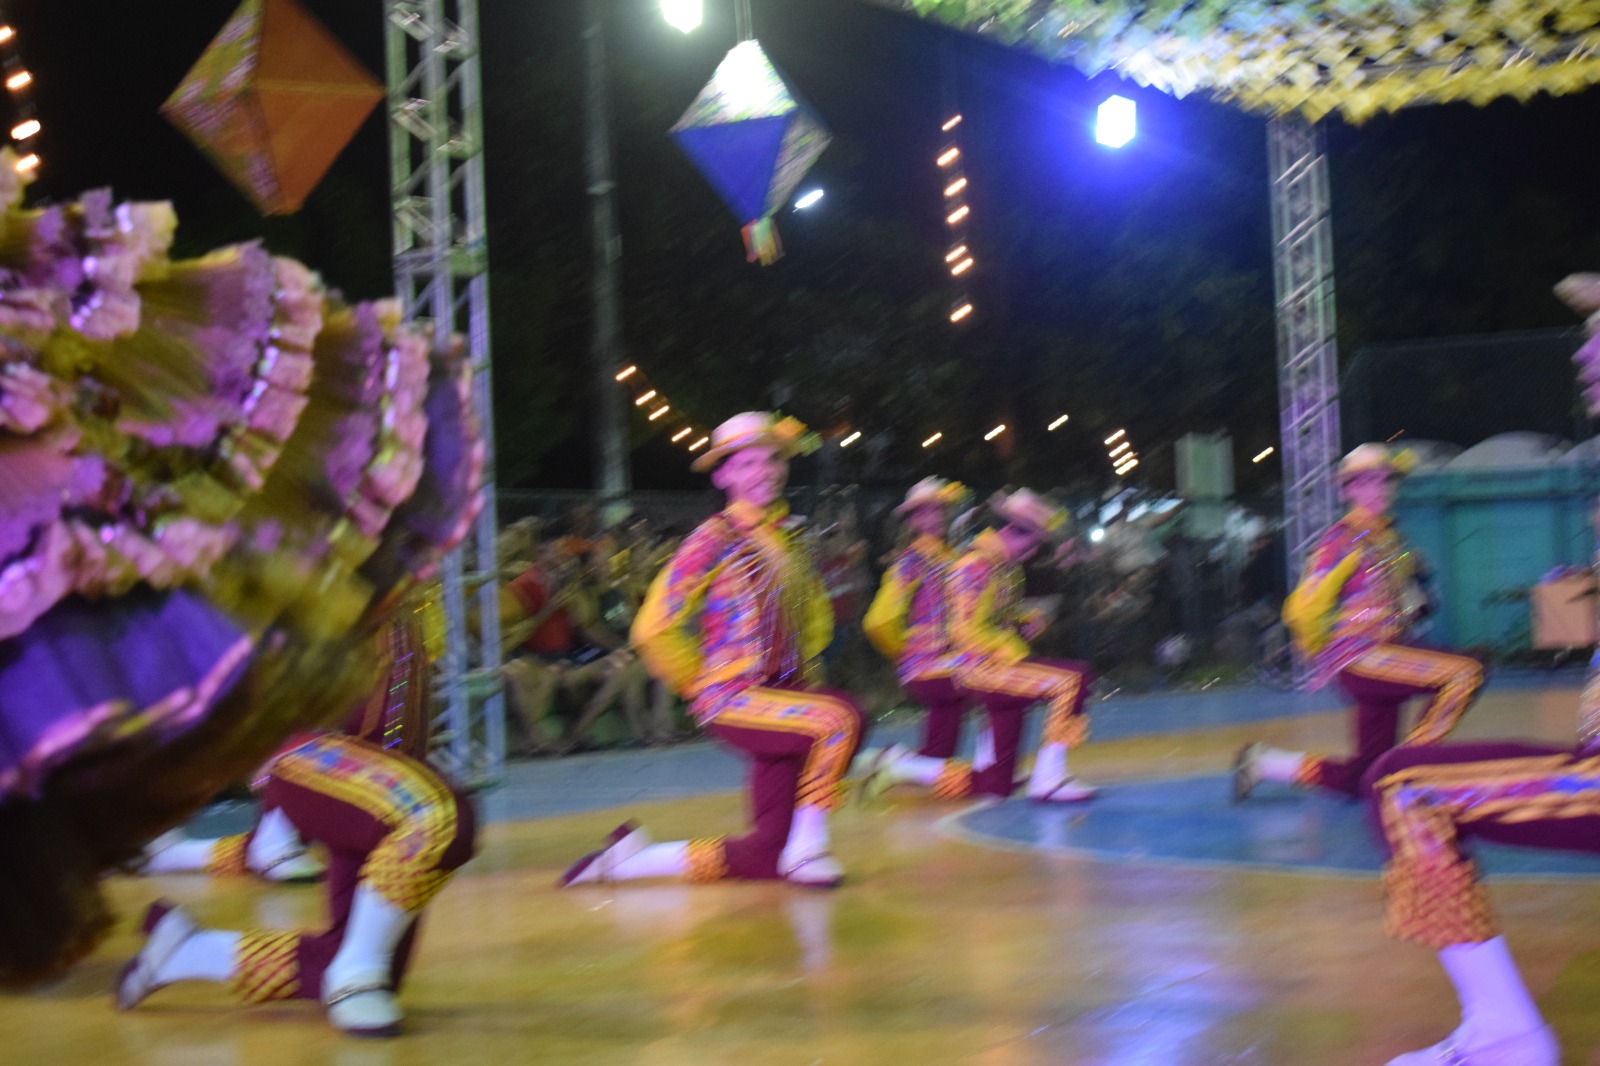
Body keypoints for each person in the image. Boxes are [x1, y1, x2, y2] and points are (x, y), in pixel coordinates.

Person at [117, 608, 479, 1038]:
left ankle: (188, 952)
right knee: (436, 817)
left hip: (380, 772)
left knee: (363, 962)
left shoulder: (408, 597)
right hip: (313, 750)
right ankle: (352, 968)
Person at [559, 412, 866, 889]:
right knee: (840, 719)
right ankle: (810, 848)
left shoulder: (792, 537)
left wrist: (805, 675)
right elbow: (654, 627)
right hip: (736, 695)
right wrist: (699, 681)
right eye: (747, 463)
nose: (764, 471)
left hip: (785, 694)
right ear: (724, 476)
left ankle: (630, 861)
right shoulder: (712, 538)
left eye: (772, 460)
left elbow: (814, 615)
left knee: (767, 853)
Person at [1235, 443, 1484, 800]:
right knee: (1466, 673)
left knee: (1368, 775)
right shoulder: (1342, 540)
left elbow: (1400, 599)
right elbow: (1304, 609)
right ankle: (1409, 766)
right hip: (1363, 657)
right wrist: (1323, 649)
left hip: (1384, 654)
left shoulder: (1389, 537)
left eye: (1385, 480)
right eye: (1366, 482)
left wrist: (1408, 601)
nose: (1379, 489)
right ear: (1347, 491)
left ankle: (1267, 764)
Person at [871, 489, 1097, 803]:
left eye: (939, 510)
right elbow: (957, 628)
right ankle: (1048, 778)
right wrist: (908, 652)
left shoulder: (998, 566)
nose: (1032, 554)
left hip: (969, 662)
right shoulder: (967, 563)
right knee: (1071, 679)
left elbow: (993, 616)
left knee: (993, 783)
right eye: (1032, 544)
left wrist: (1023, 622)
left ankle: (910, 766)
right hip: (957, 665)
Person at [860, 477, 983, 799]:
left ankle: (894, 764)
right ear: (912, 521)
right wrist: (905, 650)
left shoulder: (952, 557)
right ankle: (993, 769)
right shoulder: (911, 562)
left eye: (939, 511)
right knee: (993, 683)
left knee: (941, 750)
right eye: (925, 512)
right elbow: (878, 621)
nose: (934, 518)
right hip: (930, 664)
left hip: (949, 658)